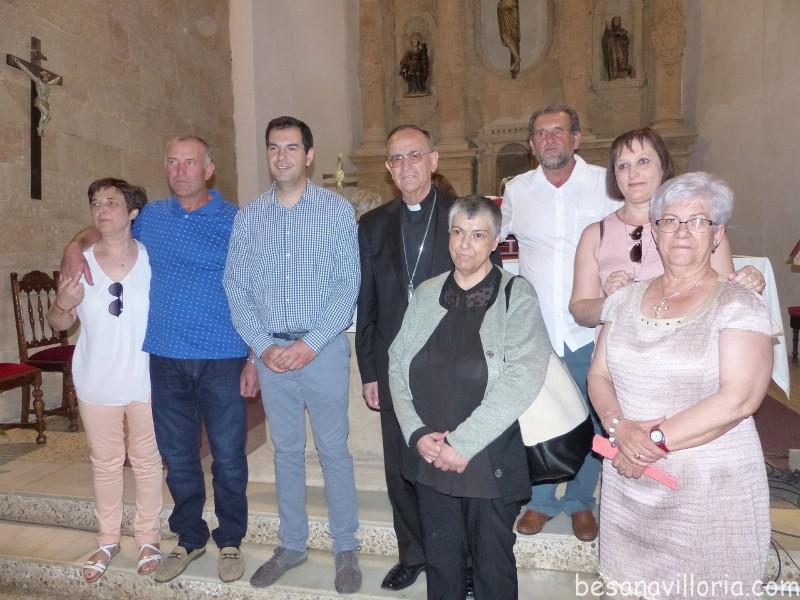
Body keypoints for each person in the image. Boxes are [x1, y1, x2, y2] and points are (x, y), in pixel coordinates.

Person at [60, 136, 254, 584]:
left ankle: (230, 539)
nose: (180, 170)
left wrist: (253, 356)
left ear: (208, 170)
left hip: (223, 353)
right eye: (172, 162)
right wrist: (73, 246)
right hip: (165, 358)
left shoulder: (236, 220)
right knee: (179, 457)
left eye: (190, 162)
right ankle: (189, 536)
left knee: (227, 456)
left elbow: (254, 285)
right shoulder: (150, 218)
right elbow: (105, 228)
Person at [588, 172, 779, 596]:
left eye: (697, 221)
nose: (681, 231)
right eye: (670, 221)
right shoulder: (623, 299)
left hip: (709, 486)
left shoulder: (738, 304)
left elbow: (739, 399)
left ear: (717, 235)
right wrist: (619, 427)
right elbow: (599, 374)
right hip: (629, 481)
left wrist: (648, 443)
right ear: (654, 233)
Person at [223, 116, 362, 594]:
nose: (281, 156)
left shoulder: (336, 211)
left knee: (333, 450)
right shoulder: (250, 217)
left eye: (291, 147)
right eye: (273, 147)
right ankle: (292, 544)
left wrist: (309, 343)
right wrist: (262, 347)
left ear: (309, 155)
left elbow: (347, 284)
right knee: (285, 452)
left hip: (321, 349)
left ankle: (346, 546)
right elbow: (236, 287)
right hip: (270, 352)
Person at [388, 196, 551, 600]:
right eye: (458, 232)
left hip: (488, 459)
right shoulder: (427, 293)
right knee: (442, 568)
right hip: (431, 457)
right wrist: (416, 434)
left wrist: (463, 444)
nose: (465, 244)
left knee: (492, 571)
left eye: (478, 235)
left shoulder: (516, 294)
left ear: (496, 241)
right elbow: (396, 364)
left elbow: (524, 375)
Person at [357, 125, 493, 592]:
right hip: (394, 367)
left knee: (455, 463)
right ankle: (413, 553)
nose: (406, 166)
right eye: (396, 158)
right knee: (402, 467)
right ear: (388, 168)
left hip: (452, 366)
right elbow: (367, 304)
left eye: (414, 155)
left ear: (433, 160)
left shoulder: (461, 217)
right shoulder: (373, 224)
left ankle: (464, 562)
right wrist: (370, 371)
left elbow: (488, 285)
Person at [501, 104, 616, 541]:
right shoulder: (518, 189)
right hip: (541, 330)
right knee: (541, 417)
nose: (549, 139)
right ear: (532, 144)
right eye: (540, 133)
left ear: (576, 138)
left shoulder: (605, 183)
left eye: (558, 131)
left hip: (592, 328)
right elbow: (489, 233)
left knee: (596, 419)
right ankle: (542, 501)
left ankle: (581, 500)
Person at [48, 178, 162, 583]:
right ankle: (108, 539)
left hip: (145, 378)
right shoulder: (79, 262)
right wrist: (63, 304)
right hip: (96, 379)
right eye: (96, 203)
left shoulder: (151, 258)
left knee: (147, 461)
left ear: (133, 212)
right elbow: (58, 323)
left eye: (112, 203)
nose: (102, 210)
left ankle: (148, 537)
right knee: (106, 463)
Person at [570, 127, 765, 330]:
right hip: (615, 346)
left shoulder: (700, 228)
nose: (633, 173)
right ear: (615, 176)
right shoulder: (595, 234)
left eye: (643, 161)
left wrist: (748, 283)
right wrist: (613, 302)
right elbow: (580, 310)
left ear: (663, 167)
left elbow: (726, 298)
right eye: (623, 165)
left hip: (686, 344)